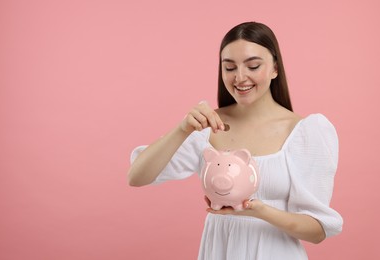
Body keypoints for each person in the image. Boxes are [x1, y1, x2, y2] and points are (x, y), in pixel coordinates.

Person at [127, 21, 343, 260]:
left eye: (253, 66)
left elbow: (317, 231)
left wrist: (258, 210)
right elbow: (136, 177)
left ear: (275, 68)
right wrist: (182, 129)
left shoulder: (305, 133)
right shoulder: (207, 125)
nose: (240, 78)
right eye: (229, 68)